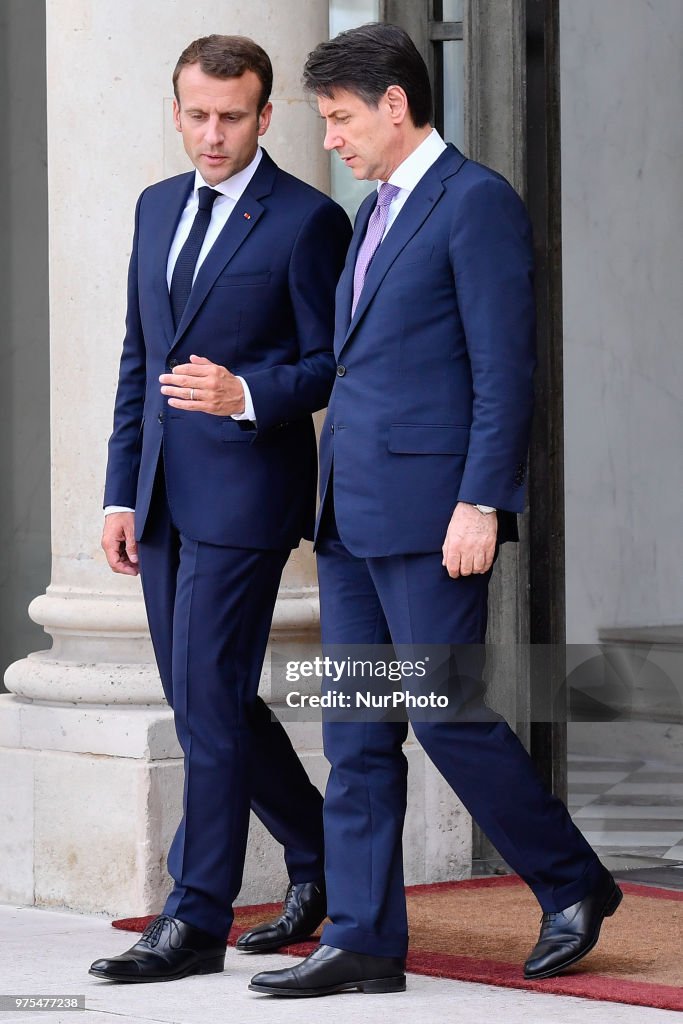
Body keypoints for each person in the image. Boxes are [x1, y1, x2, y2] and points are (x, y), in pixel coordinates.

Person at [250, 23, 621, 999]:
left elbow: (505, 374)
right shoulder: (372, 215)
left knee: (443, 712)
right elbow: (355, 363)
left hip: (431, 513)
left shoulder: (474, 205)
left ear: (394, 105)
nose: (329, 138)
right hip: (349, 515)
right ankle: (367, 937)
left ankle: (572, 879)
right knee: (355, 731)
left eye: (337, 119)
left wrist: (481, 503)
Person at [90, 34, 351, 984]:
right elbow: (138, 356)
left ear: (264, 116)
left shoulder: (308, 220)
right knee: (216, 700)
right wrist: (120, 491)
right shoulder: (156, 207)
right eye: (197, 114)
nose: (212, 134)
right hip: (160, 495)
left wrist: (245, 391)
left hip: (247, 492)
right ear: (176, 110)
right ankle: (323, 866)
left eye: (231, 117)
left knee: (204, 706)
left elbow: (330, 363)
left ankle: (193, 918)